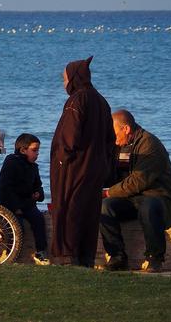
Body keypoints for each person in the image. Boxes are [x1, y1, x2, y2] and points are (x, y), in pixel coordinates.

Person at [50, 56, 115, 267]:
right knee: (88, 211)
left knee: (69, 209)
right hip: (95, 168)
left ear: (74, 78)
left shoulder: (77, 100)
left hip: (74, 168)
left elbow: (69, 137)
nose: (64, 83)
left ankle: (66, 256)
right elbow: (110, 139)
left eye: (64, 78)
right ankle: (85, 256)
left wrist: (62, 158)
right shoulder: (101, 101)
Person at [100, 109, 171, 272]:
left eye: (115, 134)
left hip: (160, 198)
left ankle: (155, 257)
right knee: (105, 207)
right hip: (132, 198)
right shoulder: (119, 146)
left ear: (126, 129)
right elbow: (110, 175)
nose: (114, 141)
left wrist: (108, 192)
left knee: (148, 205)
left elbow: (138, 182)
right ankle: (117, 256)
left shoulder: (149, 144)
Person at [0, 133, 50, 265]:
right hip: (11, 204)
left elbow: (38, 185)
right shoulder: (11, 162)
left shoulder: (33, 167)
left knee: (38, 219)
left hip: (27, 204)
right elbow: (5, 187)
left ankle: (41, 251)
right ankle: (11, 253)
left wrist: (38, 193)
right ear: (23, 150)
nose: (37, 154)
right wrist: (16, 208)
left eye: (38, 150)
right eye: (34, 150)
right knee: (17, 225)